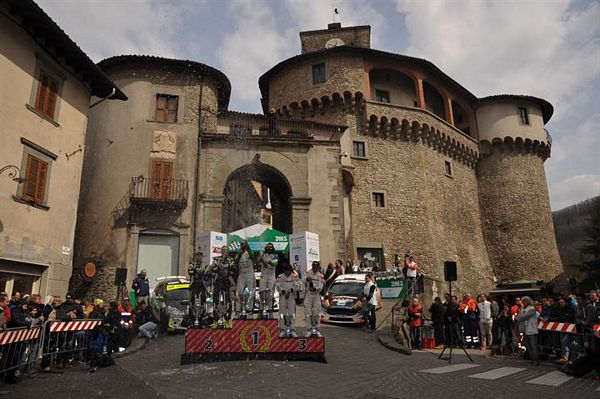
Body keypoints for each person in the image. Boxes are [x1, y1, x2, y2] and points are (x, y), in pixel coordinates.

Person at [211, 245, 236, 328]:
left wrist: (227, 272)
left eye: (226, 250)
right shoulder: (217, 259)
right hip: (218, 281)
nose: (225, 252)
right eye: (223, 250)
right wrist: (219, 268)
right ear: (221, 251)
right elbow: (213, 268)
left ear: (228, 251)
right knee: (216, 300)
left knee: (227, 300)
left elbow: (233, 269)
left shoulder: (231, 260)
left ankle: (228, 320)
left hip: (227, 281)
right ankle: (215, 320)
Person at [548, 297, 576, 364]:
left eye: (562, 302)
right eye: (560, 303)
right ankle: (568, 358)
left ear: (566, 303)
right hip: (562, 328)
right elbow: (559, 318)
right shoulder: (560, 309)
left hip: (571, 329)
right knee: (563, 342)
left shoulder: (571, 309)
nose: (561, 304)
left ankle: (567, 357)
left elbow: (571, 318)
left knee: (565, 342)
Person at [276, 263, 300, 337]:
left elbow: (299, 286)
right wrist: (283, 291)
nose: (288, 272)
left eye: (289, 271)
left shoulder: (294, 276)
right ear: (284, 270)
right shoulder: (280, 276)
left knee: (292, 313)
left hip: (291, 296)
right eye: (286, 271)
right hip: (283, 296)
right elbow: (277, 286)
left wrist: (291, 290)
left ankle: (292, 329)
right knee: (282, 313)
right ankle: (282, 330)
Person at [235, 241, 256, 319]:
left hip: (250, 274)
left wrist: (248, 248)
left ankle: (250, 312)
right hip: (241, 275)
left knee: (251, 293)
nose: (242, 245)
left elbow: (253, 257)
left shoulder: (250, 251)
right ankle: (238, 311)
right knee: (238, 293)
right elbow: (235, 260)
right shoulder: (239, 252)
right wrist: (240, 253)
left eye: (244, 244)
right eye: (241, 244)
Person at [304, 261, 325, 337]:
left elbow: (321, 287)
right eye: (313, 266)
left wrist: (315, 288)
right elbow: (303, 280)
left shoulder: (321, 276)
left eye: (316, 266)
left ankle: (317, 330)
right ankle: (308, 330)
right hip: (308, 295)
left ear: (318, 267)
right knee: (307, 313)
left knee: (317, 313)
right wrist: (307, 280)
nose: (314, 268)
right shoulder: (308, 272)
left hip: (316, 295)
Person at [517, 296, 539, 365]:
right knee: (528, 346)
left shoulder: (532, 309)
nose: (523, 303)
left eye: (524, 302)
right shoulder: (523, 308)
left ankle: (535, 360)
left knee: (533, 346)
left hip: (532, 329)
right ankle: (532, 359)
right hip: (526, 330)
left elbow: (524, 317)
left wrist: (518, 317)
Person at [258, 243, 278, 319]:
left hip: (271, 277)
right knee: (261, 294)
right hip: (263, 276)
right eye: (268, 247)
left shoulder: (275, 255)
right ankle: (261, 311)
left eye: (271, 247)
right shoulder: (263, 254)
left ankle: (270, 311)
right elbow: (257, 262)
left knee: (270, 295)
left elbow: (275, 263)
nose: (270, 248)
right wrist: (260, 260)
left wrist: (266, 262)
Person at [188, 251, 208, 325]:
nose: (198, 257)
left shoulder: (204, 265)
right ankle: (192, 319)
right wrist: (196, 272)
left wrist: (200, 272)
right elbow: (190, 272)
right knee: (192, 301)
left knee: (202, 301)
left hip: (202, 286)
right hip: (193, 285)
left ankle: (201, 317)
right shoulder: (192, 264)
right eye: (197, 256)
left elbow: (206, 272)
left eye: (200, 256)